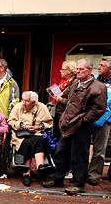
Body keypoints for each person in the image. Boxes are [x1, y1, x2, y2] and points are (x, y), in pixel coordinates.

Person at [43, 59, 107, 195]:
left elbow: (99, 109)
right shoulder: (75, 83)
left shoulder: (98, 87)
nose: (78, 71)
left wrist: (83, 121)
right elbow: (69, 102)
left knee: (79, 156)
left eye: (81, 69)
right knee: (61, 153)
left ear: (90, 70)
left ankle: (79, 184)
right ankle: (58, 178)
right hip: (67, 124)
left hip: (81, 126)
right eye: (77, 69)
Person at [7, 91, 53, 187]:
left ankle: (40, 167)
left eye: (27, 101)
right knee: (27, 142)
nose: (23, 103)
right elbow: (11, 121)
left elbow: (49, 123)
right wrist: (24, 127)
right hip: (21, 135)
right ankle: (26, 173)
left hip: (37, 133)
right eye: (22, 100)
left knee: (39, 140)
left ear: (33, 102)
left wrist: (39, 127)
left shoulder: (42, 107)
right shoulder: (18, 107)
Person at [86, 57, 111, 185]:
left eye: (103, 65)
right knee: (83, 147)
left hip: (105, 120)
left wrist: (107, 117)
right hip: (88, 117)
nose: (99, 67)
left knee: (99, 150)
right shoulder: (93, 80)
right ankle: (81, 172)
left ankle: (94, 175)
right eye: (99, 65)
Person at [51, 61, 77, 140]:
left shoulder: (75, 83)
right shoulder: (63, 82)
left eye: (63, 69)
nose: (60, 71)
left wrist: (61, 100)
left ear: (70, 71)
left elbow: (74, 102)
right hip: (58, 115)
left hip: (66, 117)